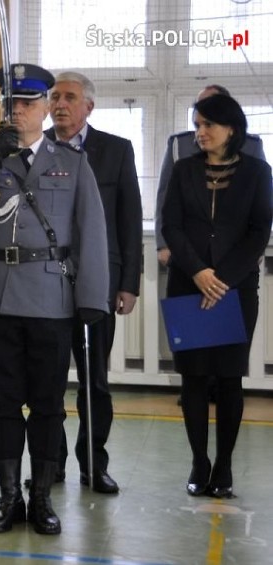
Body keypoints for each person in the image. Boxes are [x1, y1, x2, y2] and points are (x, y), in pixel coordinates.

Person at [0, 64, 109, 535]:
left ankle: (40, 497)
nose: (17, 111)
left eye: (26, 104)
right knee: (1, 403)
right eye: (10, 104)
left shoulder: (72, 162)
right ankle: (8, 495)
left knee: (46, 404)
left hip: (49, 298)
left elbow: (91, 233)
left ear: (44, 109)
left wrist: (91, 298)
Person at [161, 94, 272, 499]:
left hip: (235, 289)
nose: (200, 133)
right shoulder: (183, 169)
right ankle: (198, 462)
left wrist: (220, 278)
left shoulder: (258, 172)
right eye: (197, 125)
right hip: (188, 284)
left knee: (228, 380)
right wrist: (199, 272)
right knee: (192, 378)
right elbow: (170, 225)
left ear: (231, 129)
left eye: (207, 125)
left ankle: (223, 465)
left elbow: (259, 231)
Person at [46, 71, 142, 494]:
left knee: (94, 382)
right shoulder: (36, 148)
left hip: (99, 282)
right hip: (45, 284)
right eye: (54, 97)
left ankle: (93, 464)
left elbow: (130, 219)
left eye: (69, 97)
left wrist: (129, 283)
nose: (59, 104)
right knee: (47, 381)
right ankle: (52, 464)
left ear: (89, 106)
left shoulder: (116, 151)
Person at [155, 84, 265, 268]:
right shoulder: (179, 146)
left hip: (237, 252)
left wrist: (256, 249)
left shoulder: (253, 147)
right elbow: (165, 198)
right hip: (188, 252)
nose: (201, 114)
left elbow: (260, 208)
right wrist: (163, 243)